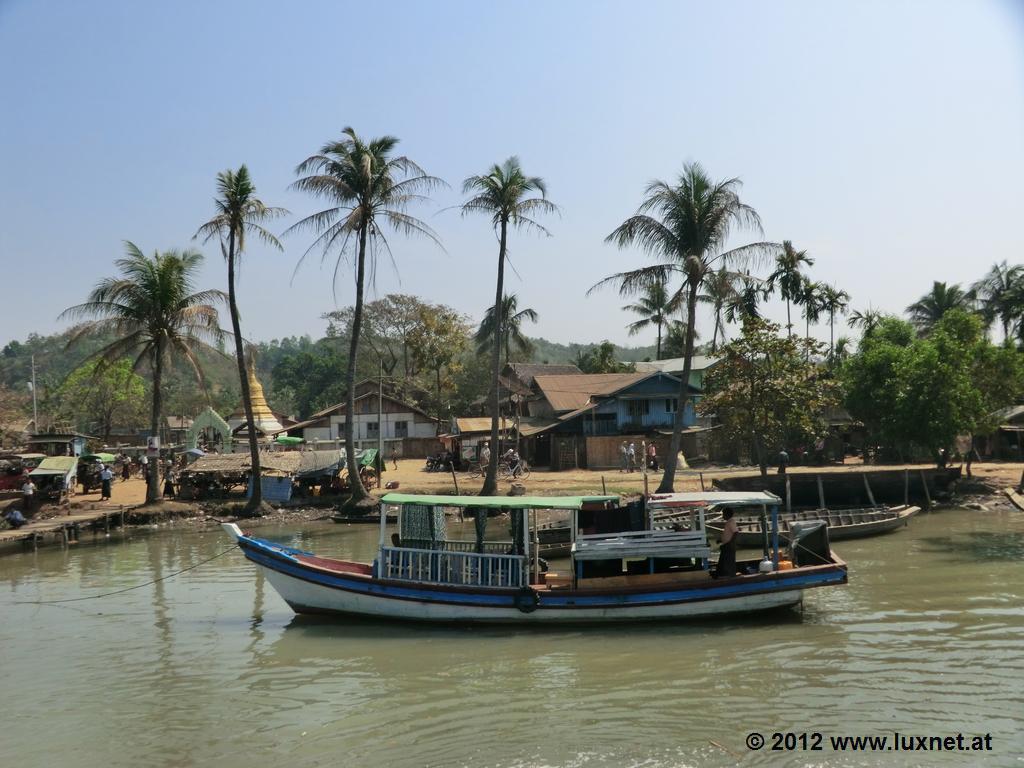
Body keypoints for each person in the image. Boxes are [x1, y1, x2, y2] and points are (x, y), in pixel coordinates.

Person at [714, 508, 739, 578]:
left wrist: (730, 543)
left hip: (729, 545)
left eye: (723, 514)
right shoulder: (728, 522)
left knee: (728, 561)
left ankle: (730, 576)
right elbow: (728, 534)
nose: (722, 516)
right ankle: (725, 575)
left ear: (727, 514)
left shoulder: (731, 522)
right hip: (726, 544)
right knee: (724, 561)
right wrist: (721, 540)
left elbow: (735, 532)